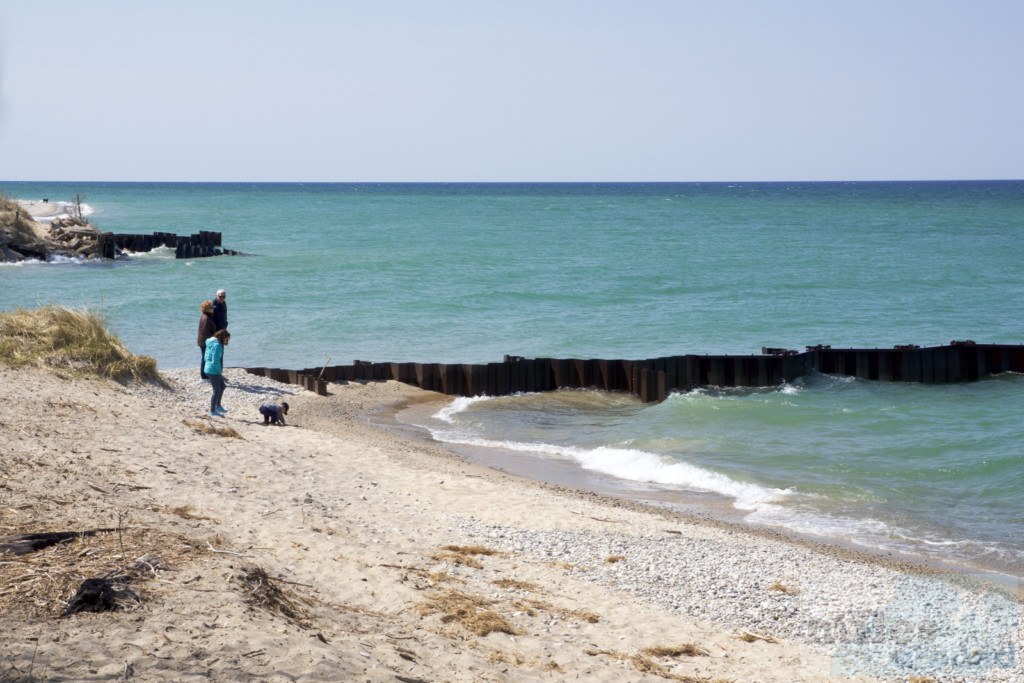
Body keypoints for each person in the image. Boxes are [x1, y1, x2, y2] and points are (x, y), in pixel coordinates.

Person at [203, 329, 230, 417]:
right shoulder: (217, 345)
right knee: (216, 390)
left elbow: (206, 357)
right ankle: (212, 411)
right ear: (223, 337)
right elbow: (215, 361)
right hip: (213, 370)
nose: (227, 341)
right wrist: (219, 371)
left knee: (222, 386)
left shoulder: (210, 343)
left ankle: (218, 406)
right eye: (227, 339)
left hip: (208, 368)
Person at [197, 300, 216, 379]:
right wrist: (212, 341)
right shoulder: (206, 318)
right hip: (205, 342)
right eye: (211, 308)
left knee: (206, 357)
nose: (213, 309)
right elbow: (205, 332)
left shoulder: (207, 316)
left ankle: (207, 374)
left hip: (205, 341)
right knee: (205, 358)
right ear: (207, 308)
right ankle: (204, 376)